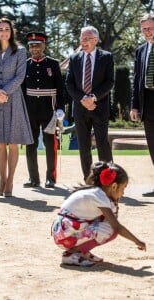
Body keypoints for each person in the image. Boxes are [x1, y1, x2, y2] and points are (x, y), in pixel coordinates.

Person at [51, 161, 147, 267]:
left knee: (104, 221)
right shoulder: (100, 197)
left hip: (63, 232)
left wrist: (114, 203)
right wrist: (137, 241)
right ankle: (72, 254)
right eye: (123, 189)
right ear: (114, 186)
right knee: (110, 229)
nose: (123, 193)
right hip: (64, 236)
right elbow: (117, 227)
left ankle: (82, 251)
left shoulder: (96, 192)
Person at [0, 17, 33, 197]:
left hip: (14, 100)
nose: (4, 32)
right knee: (1, 143)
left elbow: (20, 77)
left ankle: (10, 181)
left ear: (11, 32)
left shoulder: (19, 51)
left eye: (7, 29)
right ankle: (1, 181)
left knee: (13, 143)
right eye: (1, 29)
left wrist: (4, 92)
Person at [65, 26, 114, 181]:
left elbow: (109, 82)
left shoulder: (106, 57)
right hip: (80, 109)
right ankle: (89, 179)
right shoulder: (74, 59)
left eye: (87, 39)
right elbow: (69, 84)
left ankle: (108, 178)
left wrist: (92, 98)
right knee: (84, 146)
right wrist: (83, 100)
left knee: (102, 145)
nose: (83, 42)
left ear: (95, 40)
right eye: (82, 39)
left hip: (99, 107)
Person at [22, 32, 64, 189]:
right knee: (30, 145)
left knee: (50, 145)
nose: (35, 48)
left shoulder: (53, 64)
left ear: (44, 46)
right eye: (32, 46)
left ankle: (50, 178)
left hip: (49, 110)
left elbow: (60, 88)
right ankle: (33, 178)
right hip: (30, 110)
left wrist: (60, 108)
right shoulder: (25, 64)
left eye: (38, 45)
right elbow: (22, 90)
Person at [130, 13, 154, 197]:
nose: (147, 32)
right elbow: (137, 80)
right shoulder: (140, 51)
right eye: (144, 29)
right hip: (148, 103)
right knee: (153, 146)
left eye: (150, 27)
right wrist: (134, 106)